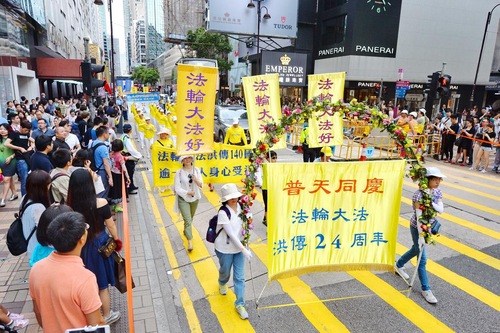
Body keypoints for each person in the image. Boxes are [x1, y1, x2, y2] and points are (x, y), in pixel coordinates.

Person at [29, 211, 105, 332]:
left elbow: (37, 311)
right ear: (82, 239)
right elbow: (97, 323)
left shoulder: (36, 269)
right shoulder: (85, 278)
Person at [67, 169, 122, 325]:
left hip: (79, 247)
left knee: (85, 282)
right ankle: (106, 315)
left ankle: (90, 313)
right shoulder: (101, 203)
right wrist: (117, 241)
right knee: (102, 284)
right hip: (100, 246)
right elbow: (111, 225)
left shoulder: (69, 206)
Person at [395, 167, 445, 304]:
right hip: (417, 227)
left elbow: (441, 210)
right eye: (434, 180)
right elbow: (418, 217)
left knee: (416, 249)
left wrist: (431, 202)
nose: (437, 182)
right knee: (422, 259)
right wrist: (421, 236)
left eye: (438, 180)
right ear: (426, 180)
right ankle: (426, 289)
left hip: (429, 226)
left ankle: (398, 264)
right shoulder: (418, 195)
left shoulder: (437, 192)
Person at [215, 183, 253, 319]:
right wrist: (244, 250)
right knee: (225, 271)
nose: (233, 199)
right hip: (224, 248)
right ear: (225, 199)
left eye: (235, 197)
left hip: (239, 249)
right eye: (230, 198)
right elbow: (230, 234)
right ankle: (222, 281)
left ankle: (240, 304)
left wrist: (249, 217)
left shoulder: (242, 207)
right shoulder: (223, 212)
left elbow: (248, 219)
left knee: (240, 277)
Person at [174, 155, 203, 251]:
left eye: (189, 158)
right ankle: (190, 241)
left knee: (190, 218)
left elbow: (201, 185)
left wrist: (196, 180)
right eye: (185, 158)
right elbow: (177, 188)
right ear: (182, 160)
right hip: (183, 198)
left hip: (195, 198)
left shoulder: (197, 170)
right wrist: (187, 193)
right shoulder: (179, 173)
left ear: (192, 159)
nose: (187, 160)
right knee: (187, 219)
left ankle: (186, 231)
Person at [20, 170, 51, 260]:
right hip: (40, 252)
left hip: (31, 247)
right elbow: (45, 231)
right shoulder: (38, 207)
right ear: (42, 187)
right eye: (48, 184)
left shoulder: (25, 199)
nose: (49, 186)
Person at [4, 120, 33, 196]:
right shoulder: (14, 134)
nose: (26, 131)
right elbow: (6, 143)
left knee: (28, 178)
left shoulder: (27, 134)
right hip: (20, 158)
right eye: (25, 130)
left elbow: (33, 141)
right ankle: (24, 197)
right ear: (21, 127)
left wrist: (31, 147)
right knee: (24, 178)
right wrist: (19, 148)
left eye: (28, 130)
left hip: (27, 156)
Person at [256, 151, 277, 226]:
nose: (275, 160)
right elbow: (259, 158)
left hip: (272, 188)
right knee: (267, 205)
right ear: (267, 158)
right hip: (266, 188)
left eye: (276, 158)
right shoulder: (265, 164)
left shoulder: (275, 166)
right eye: (273, 158)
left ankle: (265, 218)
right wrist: (263, 156)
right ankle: (266, 220)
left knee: (271, 204)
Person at [109, 139, 130, 212]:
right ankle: (118, 206)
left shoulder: (111, 154)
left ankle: (115, 205)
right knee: (119, 190)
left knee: (114, 189)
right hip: (119, 175)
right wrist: (128, 177)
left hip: (112, 173)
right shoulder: (120, 156)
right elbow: (124, 168)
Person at [120, 124, 141, 195]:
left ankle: (132, 186)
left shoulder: (123, 136)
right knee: (130, 173)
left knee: (130, 173)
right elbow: (131, 150)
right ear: (130, 130)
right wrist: (138, 155)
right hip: (127, 157)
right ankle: (129, 189)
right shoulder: (127, 138)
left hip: (124, 156)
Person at [93, 126, 113, 198]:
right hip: (102, 172)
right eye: (108, 133)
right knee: (102, 192)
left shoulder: (94, 142)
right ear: (104, 134)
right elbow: (106, 163)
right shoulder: (103, 147)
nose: (109, 135)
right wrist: (110, 177)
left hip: (96, 170)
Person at [0, 123, 18, 207]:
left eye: (4, 129)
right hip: (1, 162)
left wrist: (11, 157)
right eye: (0, 129)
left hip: (10, 162)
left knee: (6, 179)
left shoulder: (12, 139)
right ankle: (14, 194)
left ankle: (3, 199)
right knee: (9, 178)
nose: (2, 131)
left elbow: (17, 151)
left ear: (8, 130)